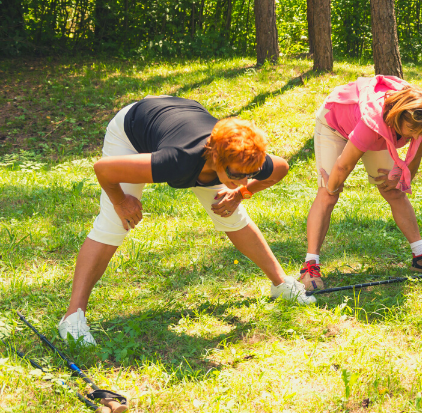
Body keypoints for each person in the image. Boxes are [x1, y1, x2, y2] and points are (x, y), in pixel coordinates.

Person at [58, 96, 312, 346]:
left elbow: (280, 167)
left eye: (251, 174)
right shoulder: (176, 160)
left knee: (231, 214)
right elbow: (104, 169)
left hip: (181, 114)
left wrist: (241, 193)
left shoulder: (243, 159)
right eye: (237, 175)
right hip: (134, 127)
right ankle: (72, 318)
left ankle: (281, 284)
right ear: (216, 158)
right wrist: (121, 201)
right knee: (113, 224)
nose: (245, 179)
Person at [298, 75, 422, 291]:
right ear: (399, 117)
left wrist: (400, 179)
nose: (418, 136)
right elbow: (343, 166)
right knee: (329, 193)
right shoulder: (374, 123)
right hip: (335, 124)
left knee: (395, 193)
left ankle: (420, 257)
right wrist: (333, 185)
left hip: (378, 133)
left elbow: (415, 159)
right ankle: (310, 266)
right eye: (413, 131)